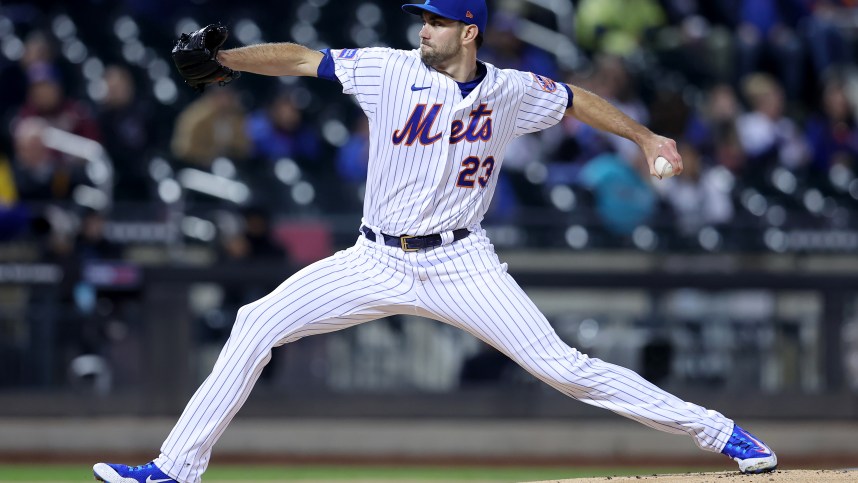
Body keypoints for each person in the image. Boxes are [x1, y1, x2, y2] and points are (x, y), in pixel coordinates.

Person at [93, 1, 777, 481]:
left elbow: (572, 97)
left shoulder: (508, 90)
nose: (425, 27)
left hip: (461, 259)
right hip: (375, 256)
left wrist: (648, 136)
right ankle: (173, 471)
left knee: (565, 366)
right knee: (255, 320)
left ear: (469, 31)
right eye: (423, 17)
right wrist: (229, 59)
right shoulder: (388, 69)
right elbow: (304, 58)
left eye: (439, 19)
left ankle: (721, 431)